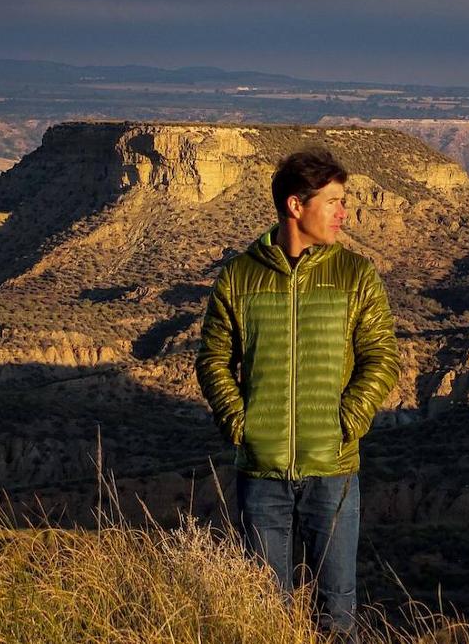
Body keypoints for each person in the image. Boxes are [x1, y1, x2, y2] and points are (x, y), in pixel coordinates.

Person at [195, 146, 401, 636]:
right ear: (295, 205)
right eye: (332, 201)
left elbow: (381, 357)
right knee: (265, 614)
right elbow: (213, 360)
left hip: (333, 471)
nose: (343, 212)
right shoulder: (240, 276)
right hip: (261, 473)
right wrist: (241, 426)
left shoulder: (355, 275)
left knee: (337, 613)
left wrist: (345, 423)